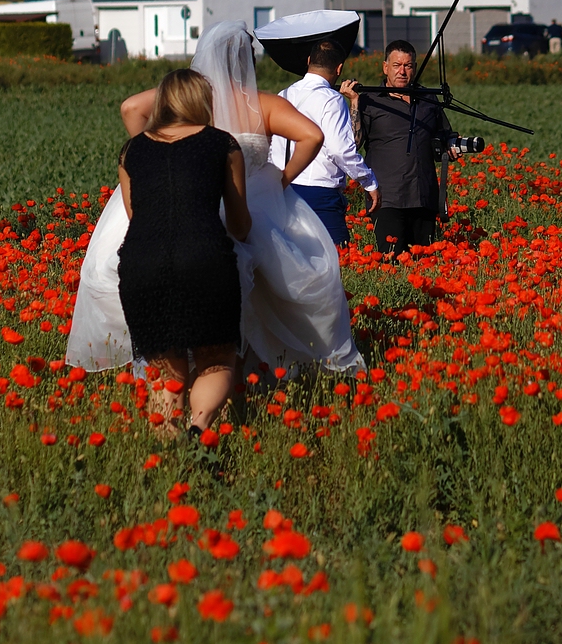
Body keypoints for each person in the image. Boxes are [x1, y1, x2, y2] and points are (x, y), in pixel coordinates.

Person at [66, 21, 364, 384]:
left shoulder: (184, 99)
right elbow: (312, 135)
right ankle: (240, 374)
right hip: (250, 201)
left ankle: (177, 375)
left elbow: (131, 107)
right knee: (261, 289)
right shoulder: (261, 104)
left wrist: (156, 152)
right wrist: (281, 178)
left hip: (175, 197)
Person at [115, 68, 251, 437]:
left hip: (143, 263)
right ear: (203, 101)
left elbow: (135, 216)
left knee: (164, 367)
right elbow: (240, 224)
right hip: (205, 259)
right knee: (215, 358)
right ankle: (199, 425)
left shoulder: (132, 151)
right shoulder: (223, 144)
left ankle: (171, 457)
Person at [340, 39, 457, 255]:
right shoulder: (370, 100)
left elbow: (444, 135)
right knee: (391, 262)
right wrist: (354, 103)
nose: (402, 71)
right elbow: (354, 143)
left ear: (414, 67)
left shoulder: (428, 98)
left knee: (425, 265)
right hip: (387, 198)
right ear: (385, 67)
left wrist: (452, 146)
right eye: (396, 65)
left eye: (408, 66)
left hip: (423, 196)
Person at [269, 38, 377, 247]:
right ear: (339, 68)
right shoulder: (331, 100)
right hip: (318, 192)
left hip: (282, 186)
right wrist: (368, 181)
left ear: (309, 60)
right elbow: (340, 150)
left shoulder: (284, 95)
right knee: (336, 257)